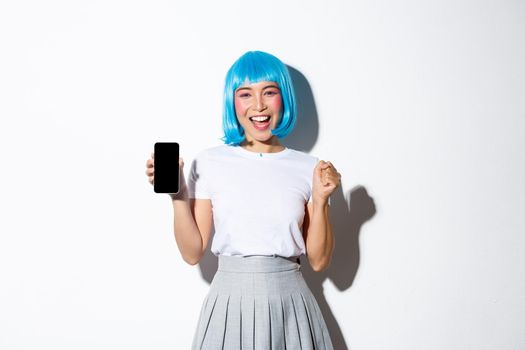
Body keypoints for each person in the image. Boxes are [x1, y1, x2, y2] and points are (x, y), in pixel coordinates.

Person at [145, 51, 341, 349]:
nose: (258, 105)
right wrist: (178, 195)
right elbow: (192, 252)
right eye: (245, 94)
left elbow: (319, 259)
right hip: (228, 301)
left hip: (290, 301)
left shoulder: (309, 167)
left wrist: (321, 199)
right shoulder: (210, 162)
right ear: (232, 102)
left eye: (269, 92)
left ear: (283, 98)